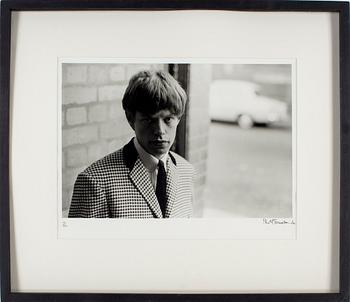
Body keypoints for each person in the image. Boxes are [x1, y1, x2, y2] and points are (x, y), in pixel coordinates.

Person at [68, 70, 195, 218]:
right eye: (148, 120)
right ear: (130, 119)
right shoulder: (95, 181)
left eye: (168, 119)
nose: (160, 131)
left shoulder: (187, 172)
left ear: (179, 119)